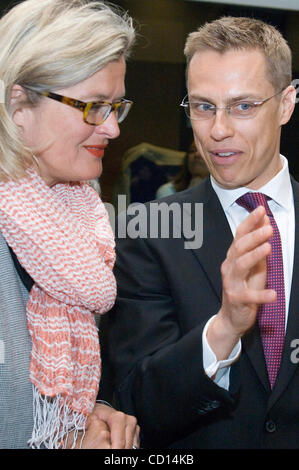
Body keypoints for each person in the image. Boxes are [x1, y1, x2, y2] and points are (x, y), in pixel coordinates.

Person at [106, 16, 299, 448]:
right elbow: (137, 400)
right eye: (203, 106)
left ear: (286, 104)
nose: (217, 131)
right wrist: (225, 329)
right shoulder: (146, 232)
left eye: (243, 106)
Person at [0, 0, 139, 449]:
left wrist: (86, 417)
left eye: (116, 106)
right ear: (19, 104)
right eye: (95, 106)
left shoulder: (78, 218)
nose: (113, 128)